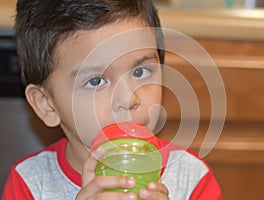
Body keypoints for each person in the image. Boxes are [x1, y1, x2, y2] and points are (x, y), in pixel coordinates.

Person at [2, 0, 222, 199]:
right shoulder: (30, 184)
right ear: (47, 104)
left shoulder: (191, 179)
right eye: (96, 81)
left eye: (140, 71)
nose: (129, 99)